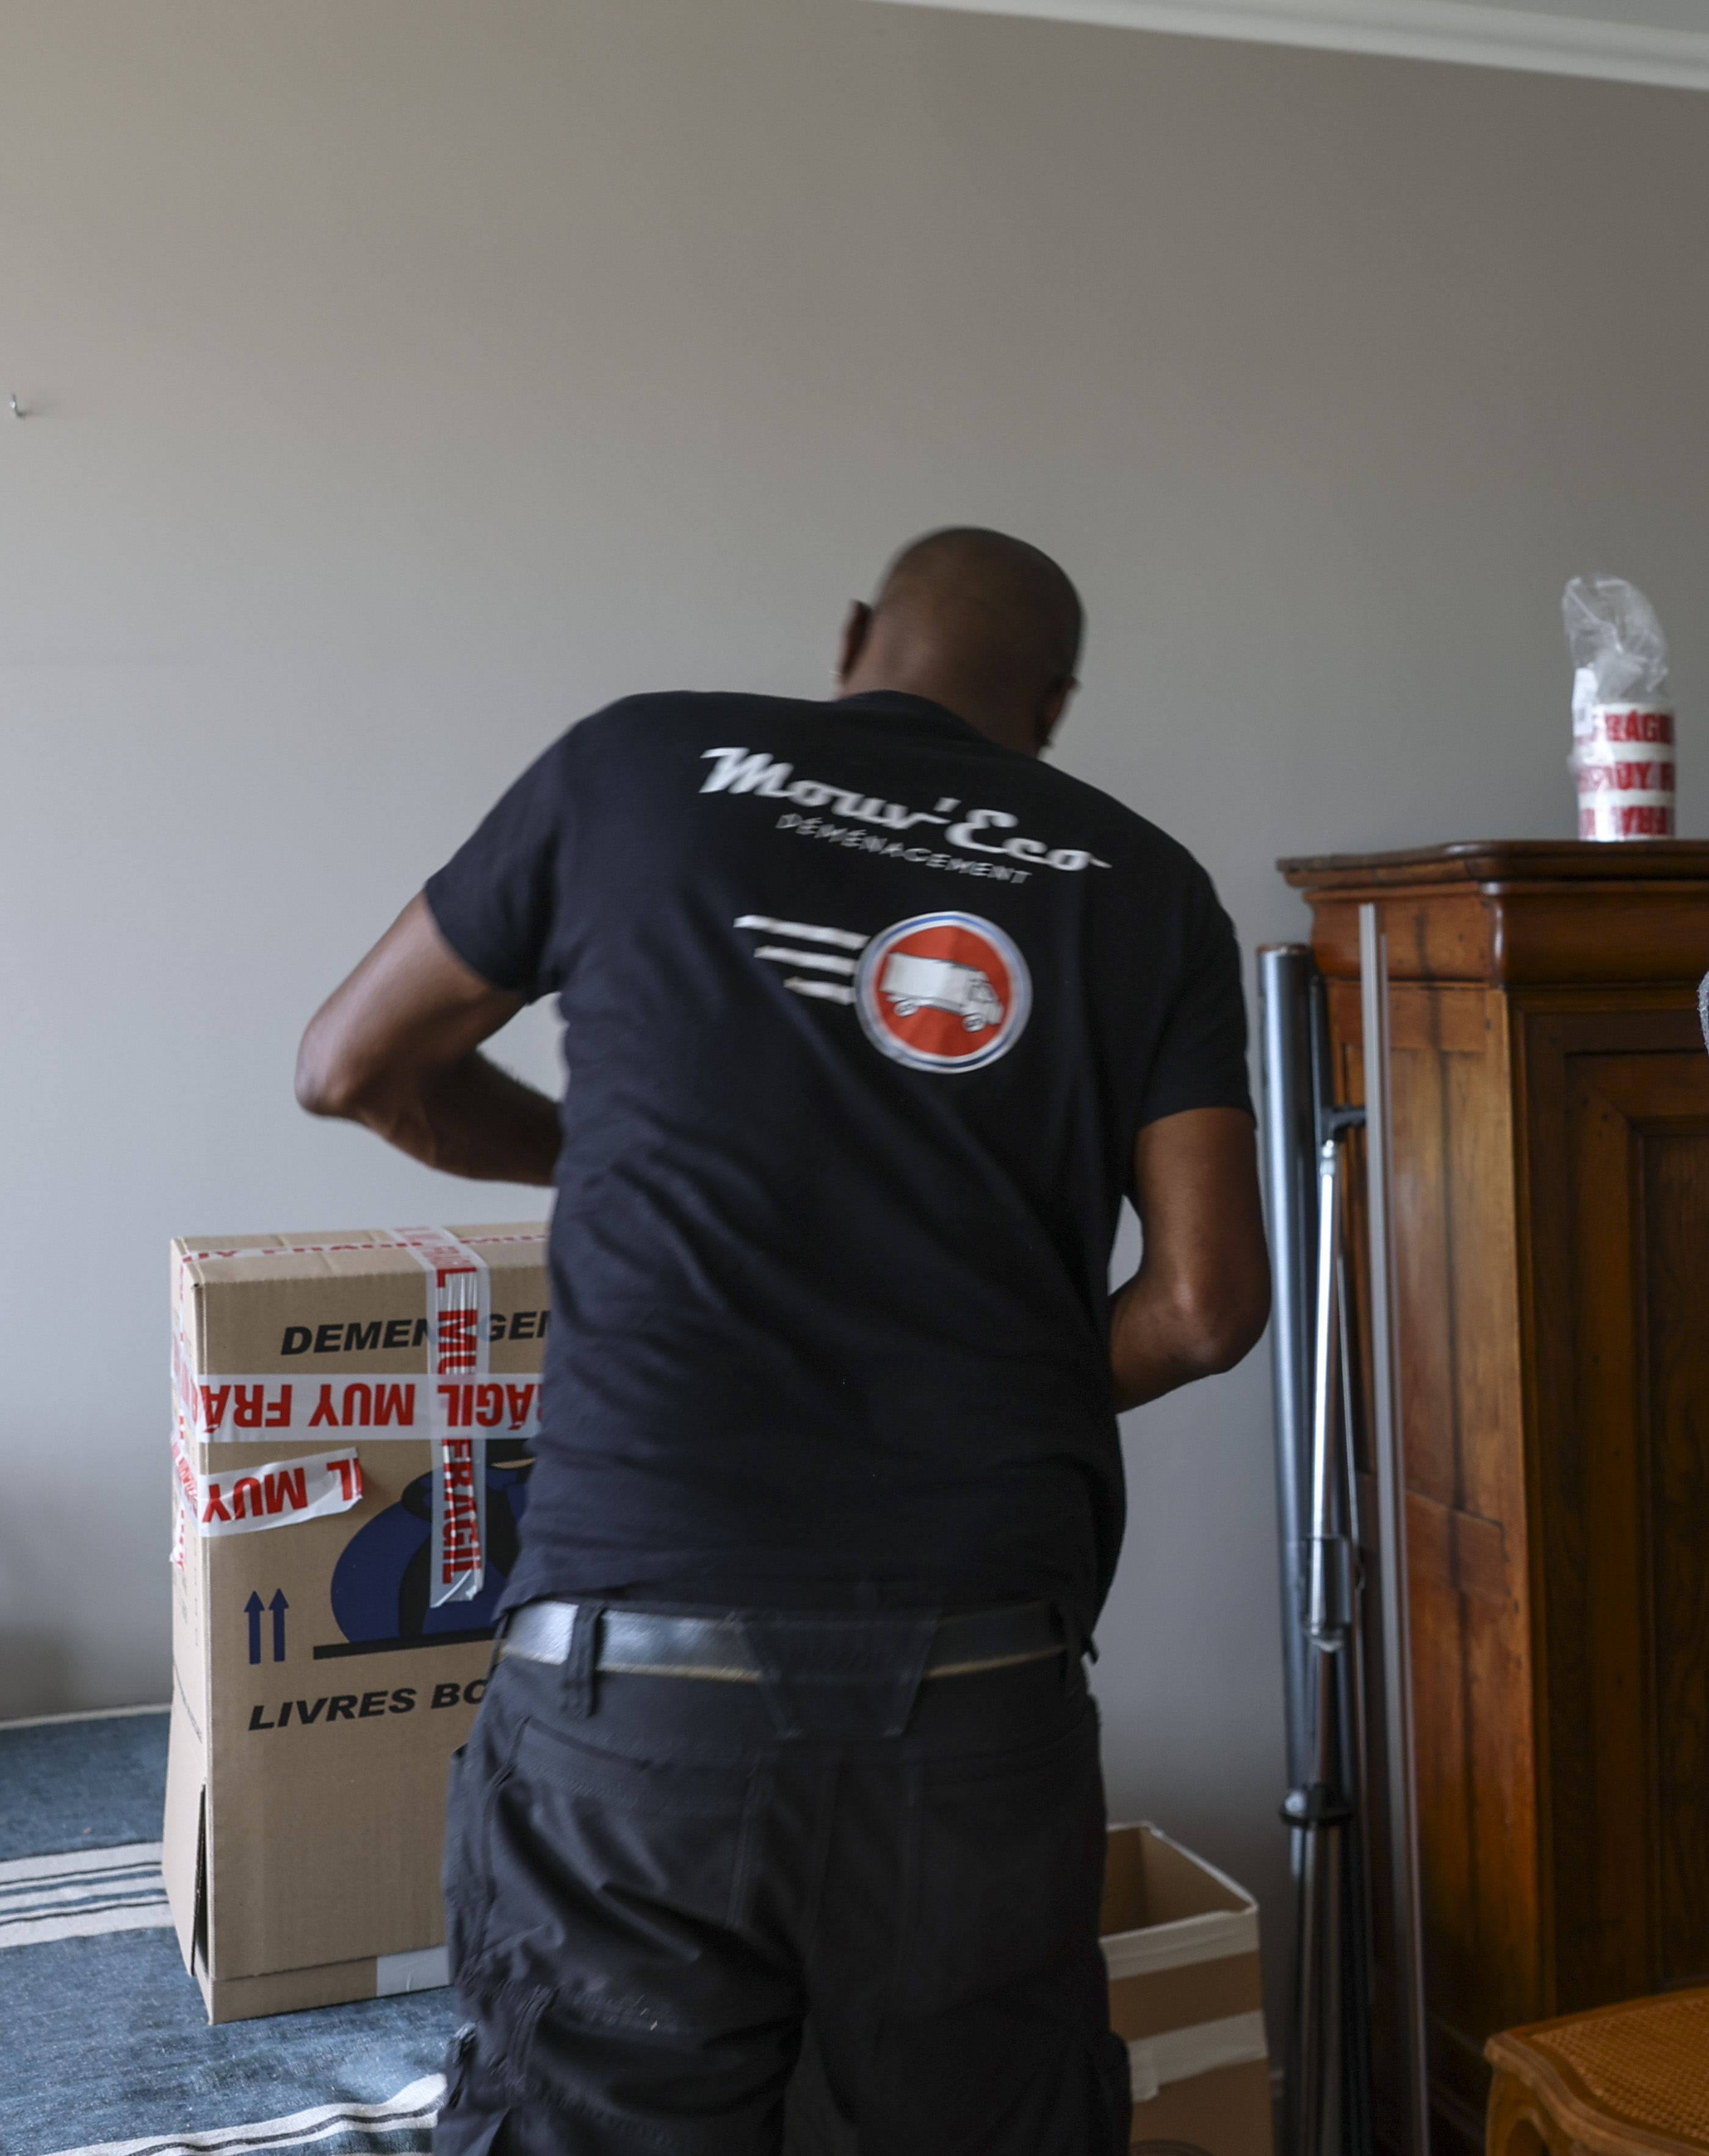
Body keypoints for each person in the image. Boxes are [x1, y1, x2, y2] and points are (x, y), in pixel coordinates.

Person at [296, 527, 1268, 2154]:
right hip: (978, 1688)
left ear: (852, 635)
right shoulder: (1147, 887)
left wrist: (602, 1158)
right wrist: (983, 1390)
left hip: (632, 1693)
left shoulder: (634, 767)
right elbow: (1204, 1306)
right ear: (1052, 708)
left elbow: (348, 1066)